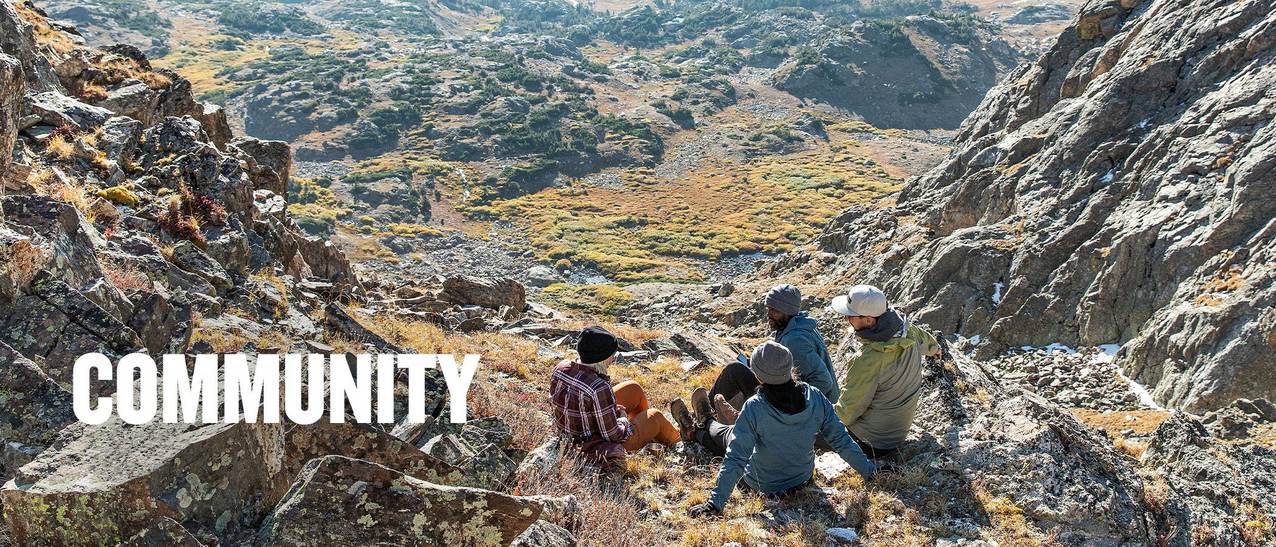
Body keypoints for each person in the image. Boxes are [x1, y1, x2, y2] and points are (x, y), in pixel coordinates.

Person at [675, 341, 876, 516]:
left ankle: (702, 425)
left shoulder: (755, 406)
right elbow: (841, 440)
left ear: (758, 375)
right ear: (789, 368)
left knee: (727, 436)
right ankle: (704, 424)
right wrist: (869, 471)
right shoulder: (813, 396)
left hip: (762, 485)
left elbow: (736, 458)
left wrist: (714, 503)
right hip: (803, 479)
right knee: (742, 434)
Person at [829, 285, 941, 459]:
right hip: (897, 434)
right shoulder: (907, 330)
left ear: (868, 320)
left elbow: (848, 411)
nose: (846, 319)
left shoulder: (870, 358)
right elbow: (932, 345)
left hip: (870, 442)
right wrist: (937, 351)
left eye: (851, 315)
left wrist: (820, 425)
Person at [550, 326, 682, 464]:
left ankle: (646, 434)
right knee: (655, 416)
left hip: (573, 428)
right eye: (612, 354)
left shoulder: (561, 367)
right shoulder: (599, 387)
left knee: (633, 388)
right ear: (601, 358)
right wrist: (623, 419)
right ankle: (680, 441)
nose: (613, 358)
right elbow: (613, 435)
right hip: (593, 443)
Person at [708, 284, 838, 414]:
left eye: (774, 310)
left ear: (788, 311)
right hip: (794, 399)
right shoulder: (797, 325)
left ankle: (704, 417)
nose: (768, 314)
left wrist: (795, 404)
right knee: (744, 369)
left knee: (734, 371)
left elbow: (824, 382)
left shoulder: (795, 340)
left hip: (798, 410)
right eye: (768, 308)